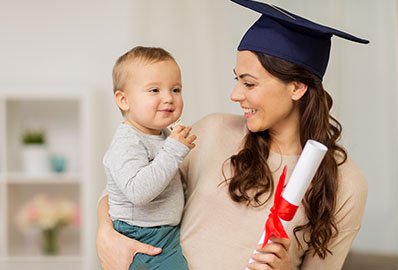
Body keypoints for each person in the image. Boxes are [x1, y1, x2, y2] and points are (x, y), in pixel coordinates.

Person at [96, 1, 369, 269]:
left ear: (296, 88)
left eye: (249, 83)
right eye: (236, 79)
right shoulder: (211, 133)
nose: (235, 95)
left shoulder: (344, 181)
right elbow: (126, 189)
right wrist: (105, 234)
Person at [103, 46, 196, 270]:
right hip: (141, 235)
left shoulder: (161, 135)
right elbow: (138, 192)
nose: (168, 98)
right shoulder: (128, 141)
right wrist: (174, 150)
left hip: (164, 232)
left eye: (175, 89)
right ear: (124, 100)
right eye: (154, 90)